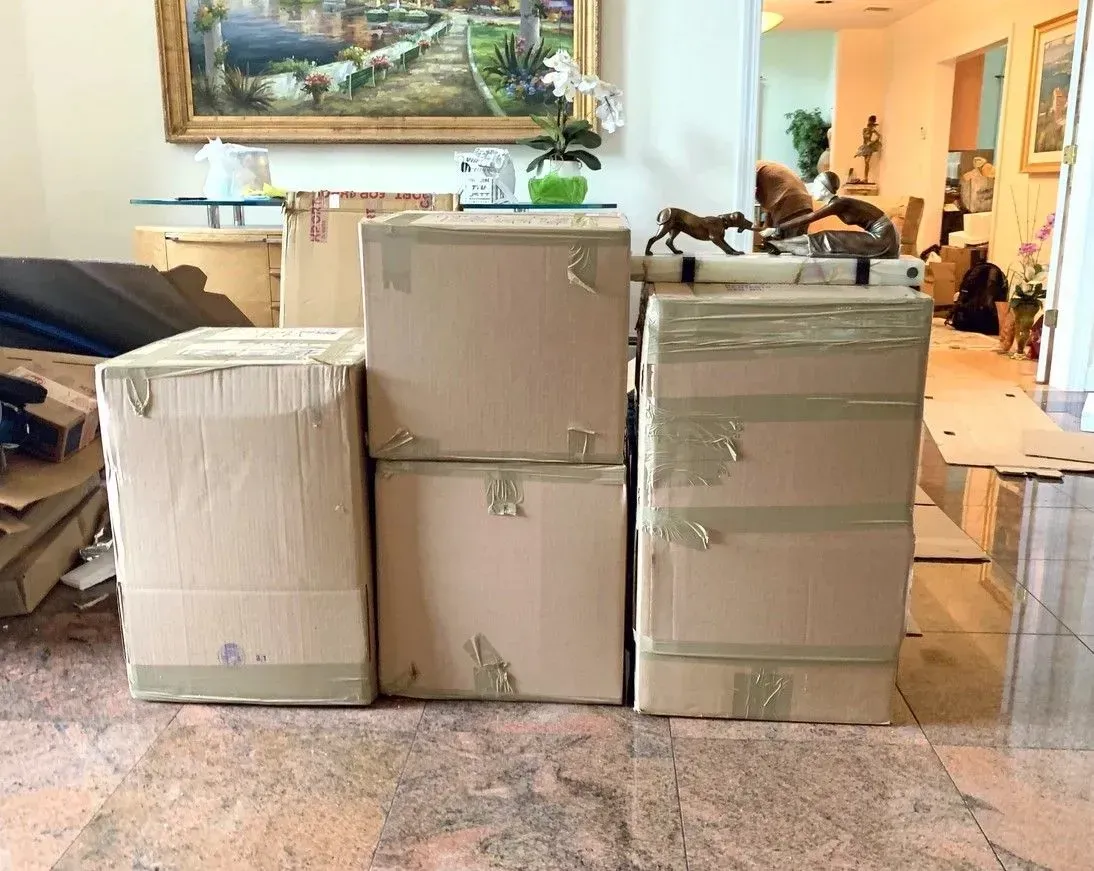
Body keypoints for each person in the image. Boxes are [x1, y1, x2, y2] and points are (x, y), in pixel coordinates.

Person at [760, 170, 900, 259]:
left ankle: (781, 246)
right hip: (880, 234)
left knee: (828, 238)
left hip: (883, 239)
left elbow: (809, 217)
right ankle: (780, 245)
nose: (812, 190)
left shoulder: (838, 203)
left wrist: (778, 228)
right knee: (825, 236)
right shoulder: (837, 203)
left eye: (816, 186)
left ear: (824, 188)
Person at [755, 160, 814, 230]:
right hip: (803, 203)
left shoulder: (752, 169)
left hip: (790, 204)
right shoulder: (763, 166)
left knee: (784, 235)